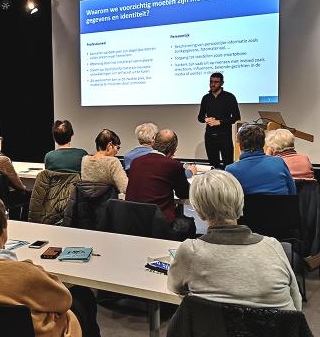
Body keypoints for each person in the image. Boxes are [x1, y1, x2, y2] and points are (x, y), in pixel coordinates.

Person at [0, 194, 101, 337]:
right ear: (2, 230)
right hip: (34, 331)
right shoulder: (24, 273)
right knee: (83, 296)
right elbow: (63, 301)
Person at [167, 170, 302, 310]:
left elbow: (174, 287)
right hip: (280, 330)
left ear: (199, 212)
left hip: (213, 330)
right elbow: (296, 303)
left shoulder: (190, 251)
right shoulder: (273, 246)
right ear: (241, 203)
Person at [126, 129, 196, 239]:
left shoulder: (136, 162)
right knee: (189, 224)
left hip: (132, 221)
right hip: (159, 224)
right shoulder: (174, 165)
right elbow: (184, 194)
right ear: (174, 150)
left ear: (153, 144)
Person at [226, 124, 296, 195]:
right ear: (263, 144)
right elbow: (293, 192)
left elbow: (229, 200)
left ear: (239, 145)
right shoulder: (279, 162)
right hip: (282, 206)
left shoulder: (231, 170)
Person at [198, 72, 241, 169]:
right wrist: (206, 119)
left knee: (228, 164)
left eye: (216, 82)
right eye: (211, 82)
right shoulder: (206, 98)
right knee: (213, 165)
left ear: (222, 83)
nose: (213, 84)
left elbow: (236, 117)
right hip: (210, 136)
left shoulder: (229, 97)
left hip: (224, 136)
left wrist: (220, 122)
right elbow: (200, 117)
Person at [81, 129, 127, 193]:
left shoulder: (85, 160)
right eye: (118, 147)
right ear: (110, 145)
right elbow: (125, 188)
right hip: (108, 201)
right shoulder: (113, 162)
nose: (117, 151)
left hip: (86, 201)